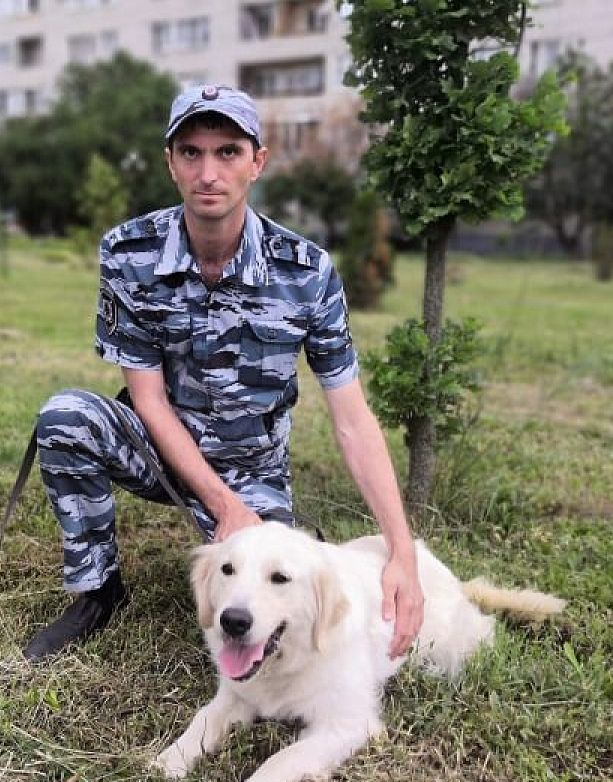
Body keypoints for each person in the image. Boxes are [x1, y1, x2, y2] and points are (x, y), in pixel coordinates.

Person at [23, 85, 423, 663]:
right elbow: (148, 400)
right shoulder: (129, 253)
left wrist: (401, 554)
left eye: (228, 152)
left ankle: (250, 527)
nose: (208, 172)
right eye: (191, 152)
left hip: (252, 465)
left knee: (279, 611)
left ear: (257, 162)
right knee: (65, 418)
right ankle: (98, 592)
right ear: (171, 163)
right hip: (158, 449)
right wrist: (223, 507)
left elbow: (353, 422)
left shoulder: (305, 271)